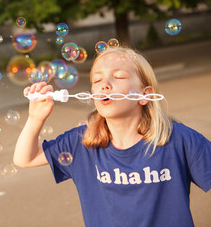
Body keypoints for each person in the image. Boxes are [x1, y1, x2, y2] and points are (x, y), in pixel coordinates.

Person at [13, 46, 211, 227]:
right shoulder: (81, 142)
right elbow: (25, 158)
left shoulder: (179, 139)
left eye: (118, 77)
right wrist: (35, 118)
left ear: (144, 95)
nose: (104, 85)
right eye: (97, 80)